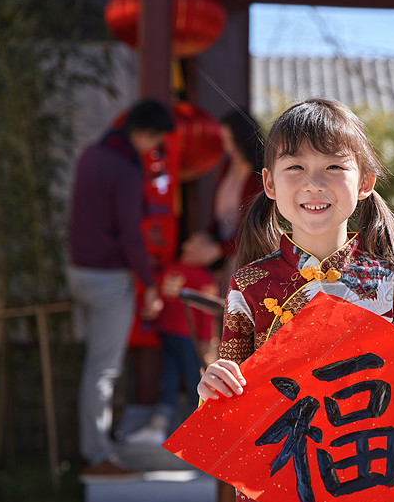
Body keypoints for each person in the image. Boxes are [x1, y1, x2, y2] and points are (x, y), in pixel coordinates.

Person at [196, 98, 394, 502]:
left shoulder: (391, 283)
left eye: (334, 166)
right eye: (295, 166)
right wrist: (213, 386)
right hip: (276, 495)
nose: (313, 183)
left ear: (365, 183)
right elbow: (229, 403)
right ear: (269, 183)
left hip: (365, 485)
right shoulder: (250, 286)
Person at [68, 98, 174, 476]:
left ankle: (96, 449)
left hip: (79, 271)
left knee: (93, 367)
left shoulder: (92, 155)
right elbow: (132, 235)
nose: (154, 148)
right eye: (156, 139)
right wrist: (148, 285)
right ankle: (97, 456)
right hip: (109, 278)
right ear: (144, 134)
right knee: (103, 371)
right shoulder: (126, 168)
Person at [123, 253, 217, 446]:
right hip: (168, 330)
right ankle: (158, 426)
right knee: (169, 377)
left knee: (195, 379)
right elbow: (159, 294)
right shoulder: (171, 267)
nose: (195, 248)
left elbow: (207, 312)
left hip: (188, 334)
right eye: (192, 243)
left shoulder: (203, 276)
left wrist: (206, 339)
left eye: (202, 245)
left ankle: (205, 429)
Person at [182, 108, 265, 293]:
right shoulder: (227, 165)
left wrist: (217, 249)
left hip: (245, 254)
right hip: (223, 247)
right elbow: (220, 215)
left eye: (232, 141)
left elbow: (254, 227)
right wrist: (206, 237)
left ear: (245, 138)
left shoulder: (260, 175)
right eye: (225, 141)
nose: (228, 147)